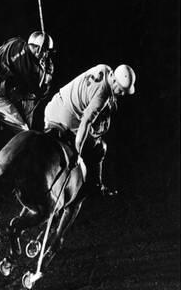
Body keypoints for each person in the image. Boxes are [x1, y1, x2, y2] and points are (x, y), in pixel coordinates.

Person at [44, 63, 136, 195]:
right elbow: (86, 122)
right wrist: (77, 152)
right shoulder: (102, 97)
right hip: (66, 120)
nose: (122, 94)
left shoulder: (105, 68)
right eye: (121, 90)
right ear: (114, 80)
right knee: (99, 148)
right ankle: (96, 187)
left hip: (53, 107)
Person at [0, 31, 56, 130]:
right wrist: (46, 73)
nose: (47, 55)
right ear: (40, 50)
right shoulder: (36, 69)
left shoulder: (15, 41)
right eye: (48, 52)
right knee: (24, 132)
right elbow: (38, 94)